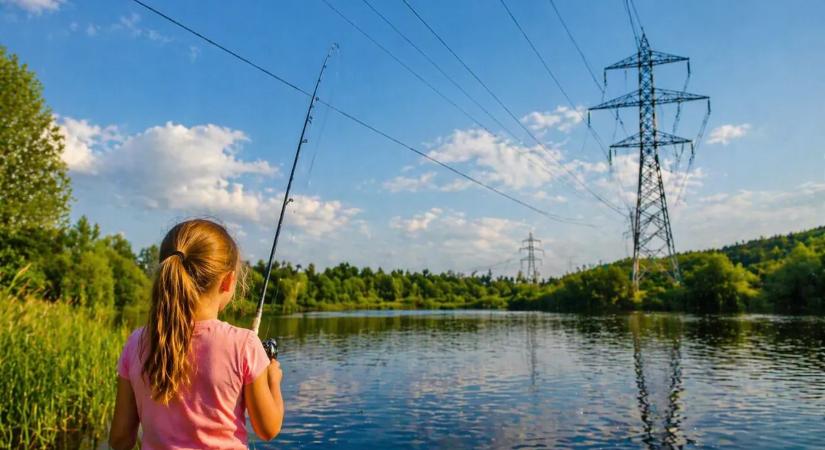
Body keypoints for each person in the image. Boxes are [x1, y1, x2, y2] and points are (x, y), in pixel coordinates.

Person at [109, 219, 284, 450]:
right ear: (228, 281)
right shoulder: (245, 344)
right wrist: (273, 380)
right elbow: (268, 429)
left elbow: (120, 440)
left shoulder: (136, 343)